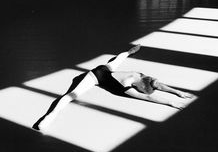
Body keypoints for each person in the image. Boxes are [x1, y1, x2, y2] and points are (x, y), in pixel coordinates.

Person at [33, 45, 193, 131]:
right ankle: (129, 51)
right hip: (106, 69)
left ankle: (47, 119)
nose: (148, 77)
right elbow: (154, 90)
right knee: (119, 59)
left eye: (148, 80)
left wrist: (173, 100)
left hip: (95, 77)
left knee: (69, 97)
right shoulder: (140, 78)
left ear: (142, 85)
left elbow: (152, 93)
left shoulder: (132, 83)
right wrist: (176, 95)